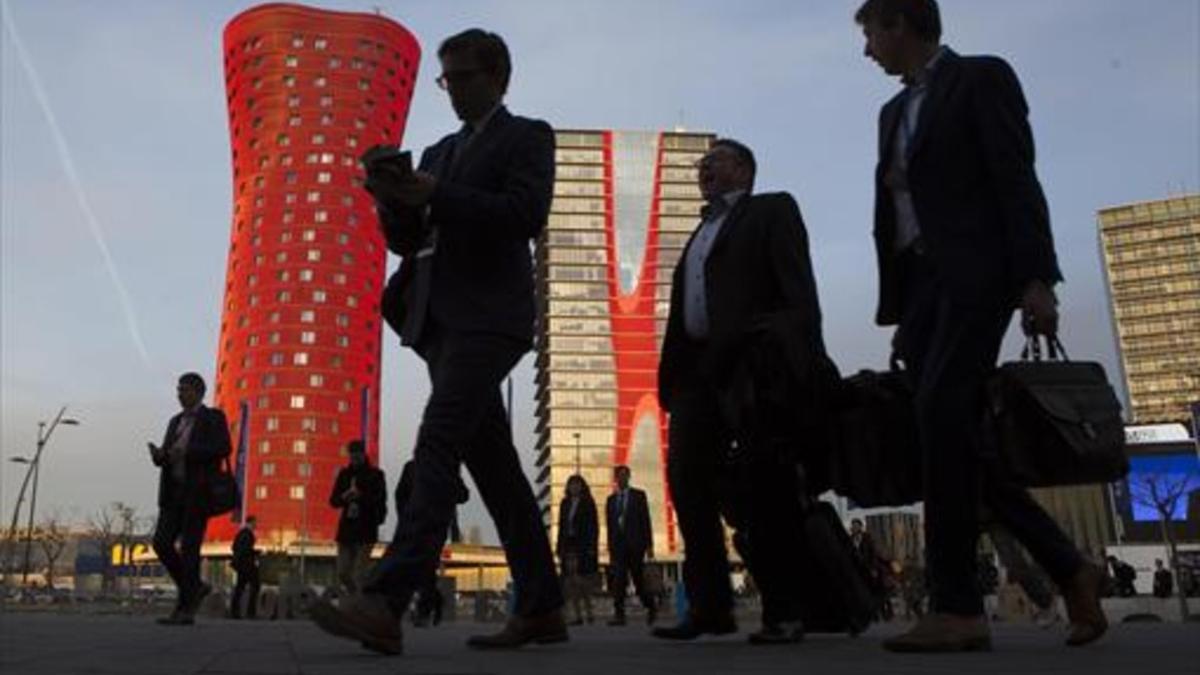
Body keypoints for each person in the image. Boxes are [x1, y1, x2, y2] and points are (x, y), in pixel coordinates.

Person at [854, 0, 1107, 651]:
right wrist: (904, 313)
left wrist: (1036, 278)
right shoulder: (891, 112)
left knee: (943, 414)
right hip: (922, 292)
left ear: (900, 25)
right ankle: (1067, 565)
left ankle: (960, 605)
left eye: (871, 34)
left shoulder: (982, 78)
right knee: (948, 433)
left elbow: (1015, 176)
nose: (867, 51)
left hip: (977, 276)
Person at [310, 28, 564, 656]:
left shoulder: (528, 135)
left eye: (463, 77)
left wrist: (437, 194)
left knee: (438, 438)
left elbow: (524, 215)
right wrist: (390, 198)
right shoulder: (438, 150)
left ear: (498, 75)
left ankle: (386, 600)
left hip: (491, 318)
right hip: (438, 322)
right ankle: (542, 607)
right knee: (498, 473)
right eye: (446, 79)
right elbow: (408, 238)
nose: (451, 90)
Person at [652, 138, 826, 646]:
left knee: (765, 488)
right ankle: (710, 608)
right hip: (696, 374)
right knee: (687, 481)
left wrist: (792, 351)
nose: (705, 167)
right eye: (701, 164)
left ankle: (785, 610)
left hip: (753, 367)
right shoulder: (698, 230)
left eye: (717, 159)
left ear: (745, 170)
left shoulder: (772, 209)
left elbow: (799, 291)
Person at [148, 372, 232, 626]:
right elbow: (169, 456)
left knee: (189, 549)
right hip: (172, 492)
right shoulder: (175, 422)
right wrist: (160, 456)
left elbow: (223, 448)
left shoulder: (213, 417)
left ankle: (185, 609)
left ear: (198, 391)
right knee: (162, 543)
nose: (179, 394)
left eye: (183, 389)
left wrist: (189, 451)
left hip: (198, 493)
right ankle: (194, 586)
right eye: (178, 389)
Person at [393, 459, 469, 626]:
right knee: (421, 566)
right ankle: (432, 601)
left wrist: (447, 490)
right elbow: (400, 494)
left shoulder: (447, 467)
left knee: (426, 565)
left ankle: (425, 610)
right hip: (415, 523)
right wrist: (404, 518)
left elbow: (464, 495)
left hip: (437, 524)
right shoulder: (411, 467)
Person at [329, 440, 387, 595]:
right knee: (342, 571)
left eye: (357, 455)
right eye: (352, 455)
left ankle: (358, 603)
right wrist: (344, 497)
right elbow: (333, 501)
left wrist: (361, 496)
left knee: (359, 573)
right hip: (347, 529)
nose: (354, 458)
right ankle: (356, 596)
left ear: (363, 454)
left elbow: (380, 500)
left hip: (366, 528)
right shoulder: (344, 475)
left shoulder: (376, 475)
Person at [604, 466, 657, 626]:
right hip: (618, 547)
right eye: (619, 476)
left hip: (636, 545)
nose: (621, 479)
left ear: (629, 477)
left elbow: (645, 520)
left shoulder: (638, 496)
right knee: (619, 580)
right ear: (615, 479)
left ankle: (650, 606)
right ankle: (619, 614)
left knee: (638, 581)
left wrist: (649, 545)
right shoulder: (611, 500)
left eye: (624, 476)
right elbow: (610, 526)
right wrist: (610, 547)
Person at [556, 474, 599, 626]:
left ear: (582, 486)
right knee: (570, 583)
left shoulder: (588, 502)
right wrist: (559, 548)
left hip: (583, 545)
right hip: (568, 545)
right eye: (571, 484)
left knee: (583, 582)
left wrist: (592, 547)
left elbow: (594, 526)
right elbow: (561, 526)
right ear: (568, 487)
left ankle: (590, 614)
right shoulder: (564, 503)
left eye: (577, 484)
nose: (574, 487)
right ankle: (577, 616)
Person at [230, 516, 260, 620]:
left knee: (240, 588)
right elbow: (246, 549)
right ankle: (250, 612)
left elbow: (233, 547)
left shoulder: (241, 533)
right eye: (255, 523)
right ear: (251, 523)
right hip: (247, 565)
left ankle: (235, 611)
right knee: (255, 586)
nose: (256, 525)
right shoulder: (248, 534)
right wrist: (255, 552)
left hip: (241, 565)